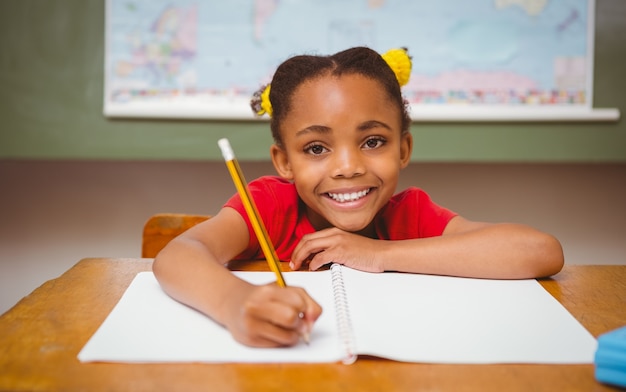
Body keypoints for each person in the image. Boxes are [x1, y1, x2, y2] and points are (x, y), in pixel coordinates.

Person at [153, 46, 564, 348]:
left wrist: (376, 253)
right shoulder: (268, 205)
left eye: (372, 141)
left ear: (403, 149)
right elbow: (178, 254)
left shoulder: (411, 214)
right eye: (316, 148)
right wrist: (234, 304)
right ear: (284, 162)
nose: (348, 167)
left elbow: (540, 251)